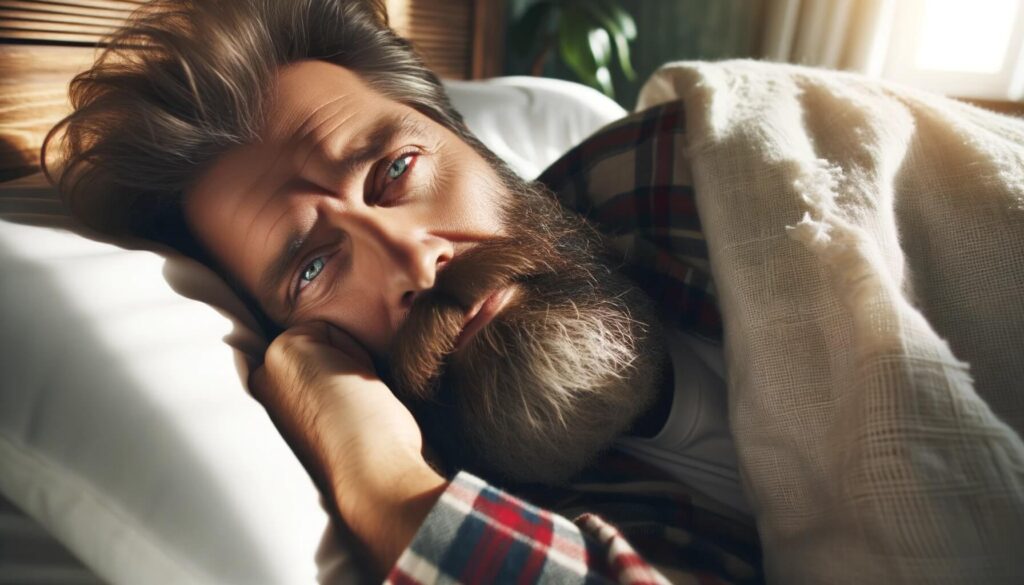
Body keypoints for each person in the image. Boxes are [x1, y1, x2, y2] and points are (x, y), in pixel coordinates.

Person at [44, 0, 758, 582]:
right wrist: (383, 481)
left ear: (471, 142)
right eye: (314, 269)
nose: (415, 263)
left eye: (396, 171)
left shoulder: (693, 168)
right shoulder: (543, 519)